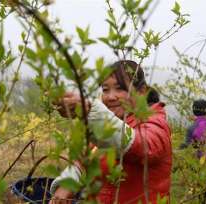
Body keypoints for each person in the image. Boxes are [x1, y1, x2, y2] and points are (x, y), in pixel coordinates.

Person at [50, 60, 172, 204]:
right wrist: (66, 184)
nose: (110, 97)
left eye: (120, 88)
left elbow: (143, 146)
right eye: (105, 89)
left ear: (142, 91)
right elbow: (86, 158)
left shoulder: (155, 123)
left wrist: (90, 111)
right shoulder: (111, 123)